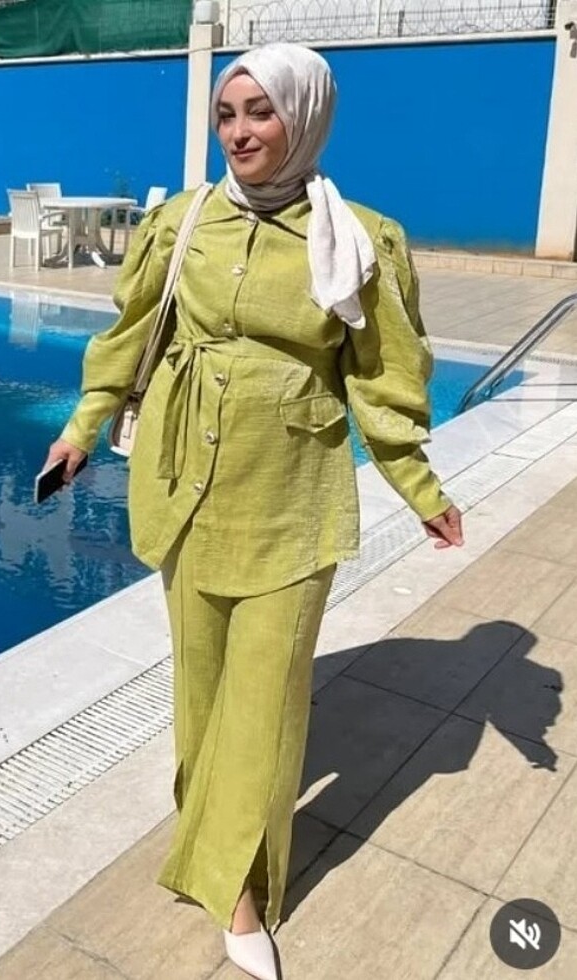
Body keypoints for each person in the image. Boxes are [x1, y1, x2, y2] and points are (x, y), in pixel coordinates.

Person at [42, 42, 464, 980]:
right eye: (227, 114)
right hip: (182, 484)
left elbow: (381, 379)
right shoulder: (182, 221)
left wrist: (418, 485)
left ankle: (236, 892)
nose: (238, 132)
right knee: (201, 692)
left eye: (260, 112)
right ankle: (209, 840)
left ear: (305, 118)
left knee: (266, 708)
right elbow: (129, 335)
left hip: (291, 495)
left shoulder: (359, 239)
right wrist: (80, 429)